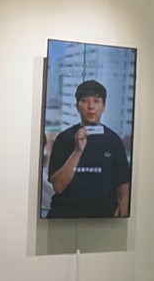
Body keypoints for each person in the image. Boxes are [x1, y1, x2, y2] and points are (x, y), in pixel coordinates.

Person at [47, 80, 131, 218]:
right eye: (85, 101)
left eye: (96, 101)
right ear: (77, 106)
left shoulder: (113, 140)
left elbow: (123, 181)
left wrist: (124, 204)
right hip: (66, 214)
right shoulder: (64, 138)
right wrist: (77, 151)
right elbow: (58, 186)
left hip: (104, 215)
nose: (91, 106)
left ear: (104, 106)